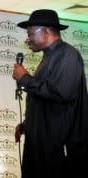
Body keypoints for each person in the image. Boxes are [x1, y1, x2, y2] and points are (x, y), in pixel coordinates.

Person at [12, 9, 88, 178]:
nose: (28, 39)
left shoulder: (68, 55)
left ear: (46, 32)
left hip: (57, 147)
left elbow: (62, 93)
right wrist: (28, 124)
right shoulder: (49, 57)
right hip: (40, 142)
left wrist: (25, 78)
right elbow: (44, 98)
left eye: (31, 34)